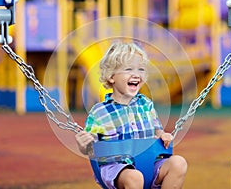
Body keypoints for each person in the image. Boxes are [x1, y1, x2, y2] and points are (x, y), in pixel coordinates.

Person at [76, 41, 187, 189]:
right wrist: (83, 144)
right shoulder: (100, 112)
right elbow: (90, 147)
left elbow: (157, 130)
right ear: (111, 76)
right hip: (118, 170)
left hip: (149, 165)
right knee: (135, 177)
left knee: (179, 163)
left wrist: (163, 135)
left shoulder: (146, 105)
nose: (136, 74)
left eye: (141, 69)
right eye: (129, 69)